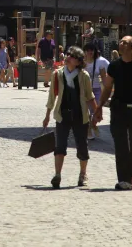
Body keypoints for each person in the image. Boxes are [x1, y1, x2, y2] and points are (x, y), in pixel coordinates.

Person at [96, 36, 132, 190]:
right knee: (120, 145)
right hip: (118, 108)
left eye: (125, 43)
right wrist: (99, 105)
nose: (121, 44)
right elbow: (107, 88)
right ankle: (124, 180)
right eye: (121, 42)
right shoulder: (114, 66)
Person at [42, 46, 99, 188]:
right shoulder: (58, 74)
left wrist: (97, 112)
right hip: (62, 115)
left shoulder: (83, 75)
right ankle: (57, 175)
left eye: (72, 56)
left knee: (82, 146)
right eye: (68, 54)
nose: (68, 56)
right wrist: (47, 115)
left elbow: (89, 96)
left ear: (78, 62)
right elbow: (52, 96)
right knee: (60, 145)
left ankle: (83, 174)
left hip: (80, 115)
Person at [83, 42, 110, 140]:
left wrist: (107, 90)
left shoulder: (100, 61)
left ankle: (93, 124)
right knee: (86, 112)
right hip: (84, 90)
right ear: (84, 52)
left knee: (96, 111)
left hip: (96, 89)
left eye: (92, 50)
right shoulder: (81, 62)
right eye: (88, 51)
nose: (90, 52)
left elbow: (104, 77)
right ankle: (88, 131)